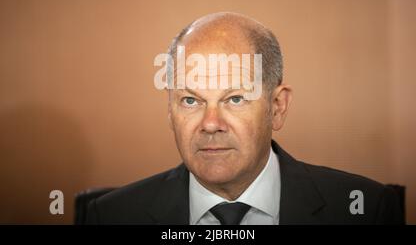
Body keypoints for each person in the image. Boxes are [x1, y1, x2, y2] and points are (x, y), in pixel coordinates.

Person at [86, 12, 403, 224]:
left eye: (235, 98)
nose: (210, 123)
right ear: (170, 110)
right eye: (191, 100)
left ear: (277, 107)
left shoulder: (366, 210)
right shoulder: (112, 216)